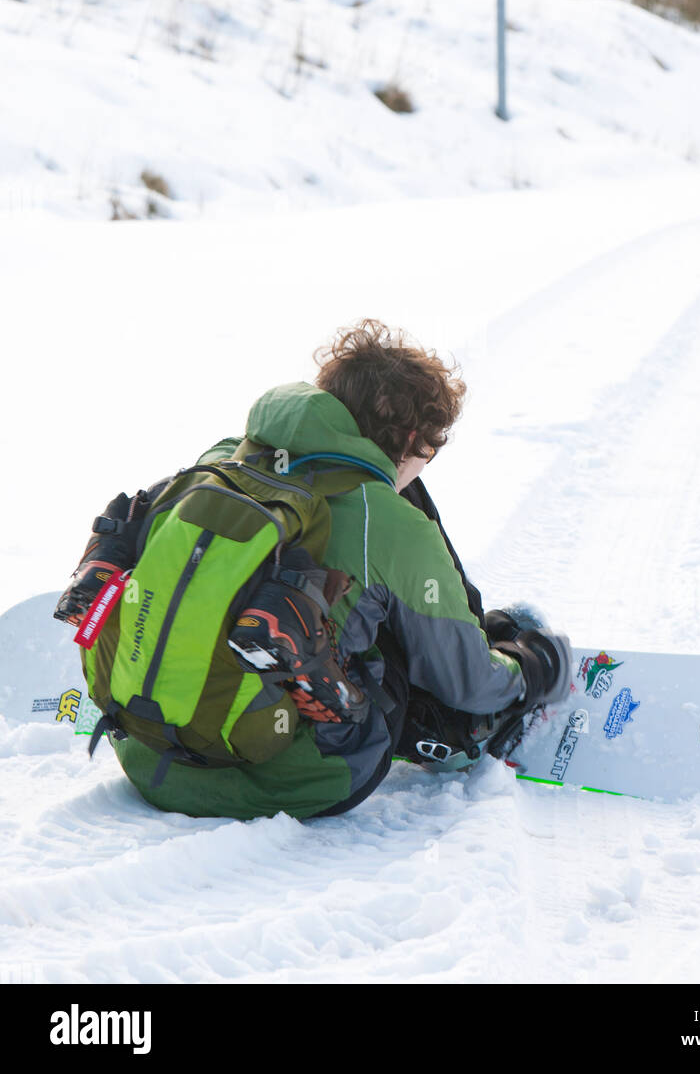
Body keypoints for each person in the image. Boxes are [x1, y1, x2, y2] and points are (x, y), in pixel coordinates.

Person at [110, 319, 571, 821]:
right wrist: (531, 668)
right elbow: (469, 682)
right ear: (414, 438)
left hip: (145, 750)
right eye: (429, 451)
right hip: (283, 775)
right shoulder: (385, 518)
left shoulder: (224, 458)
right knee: (394, 639)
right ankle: (459, 735)